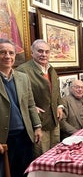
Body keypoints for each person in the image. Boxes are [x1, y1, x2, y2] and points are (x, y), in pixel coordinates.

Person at [0, 39, 42, 177]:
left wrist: (37, 126)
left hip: (25, 135)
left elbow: (30, 104)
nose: (7, 56)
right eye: (3, 52)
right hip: (4, 139)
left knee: (25, 171)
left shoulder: (23, 78)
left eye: (11, 53)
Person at [16, 39, 64, 158]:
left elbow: (56, 91)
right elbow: (17, 95)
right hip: (38, 122)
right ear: (32, 53)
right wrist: (31, 107)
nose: (44, 54)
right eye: (40, 51)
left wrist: (59, 105)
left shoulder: (50, 68)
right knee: (42, 156)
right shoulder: (23, 70)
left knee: (56, 153)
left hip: (54, 119)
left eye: (47, 52)